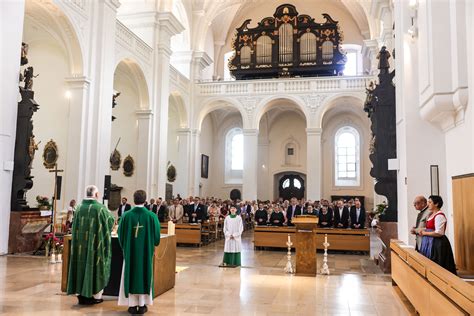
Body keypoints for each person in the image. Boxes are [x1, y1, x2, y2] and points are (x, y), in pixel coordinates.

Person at [67, 185, 115, 305]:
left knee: (80, 265)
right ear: (97, 195)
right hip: (95, 246)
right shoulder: (100, 209)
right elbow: (110, 222)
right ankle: (95, 296)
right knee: (96, 265)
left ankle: (80, 295)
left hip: (80, 246)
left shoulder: (78, 208)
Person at [118, 190, 161, 314]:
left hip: (130, 253)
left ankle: (132, 305)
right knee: (144, 274)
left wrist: (126, 248)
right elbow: (157, 238)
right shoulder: (151, 216)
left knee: (130, 274)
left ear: (133, 199)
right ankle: (142, 305)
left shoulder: (126, 215)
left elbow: (120, 236)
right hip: (145, 253)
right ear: (145, 199)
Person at [419, 195, 457, 275]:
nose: (428, 204)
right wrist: (423, 230)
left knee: (438, 264)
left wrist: (425, 233)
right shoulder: (431, 215)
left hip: (437, 244)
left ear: (436, 204)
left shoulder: (439, 215)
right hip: (430, 242)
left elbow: (439, 233)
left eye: (430, 202)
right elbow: (431, 228)